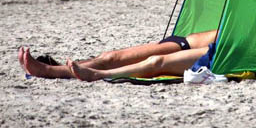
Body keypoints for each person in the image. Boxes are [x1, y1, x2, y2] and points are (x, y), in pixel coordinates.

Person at [18, 29, 217, 82]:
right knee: (110, 57)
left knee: (156, 62)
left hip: (222, 51)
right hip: (191, 40)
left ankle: (52, 71)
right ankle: (58, 67)